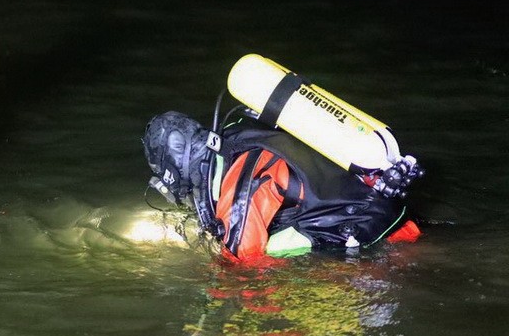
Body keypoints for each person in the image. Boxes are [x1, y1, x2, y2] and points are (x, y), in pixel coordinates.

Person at [141, 74, 424, 262]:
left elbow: (243, 256)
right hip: (381, 222)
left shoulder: (239, 166)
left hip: (385, 245)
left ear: (172, 168)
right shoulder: (235, 138)